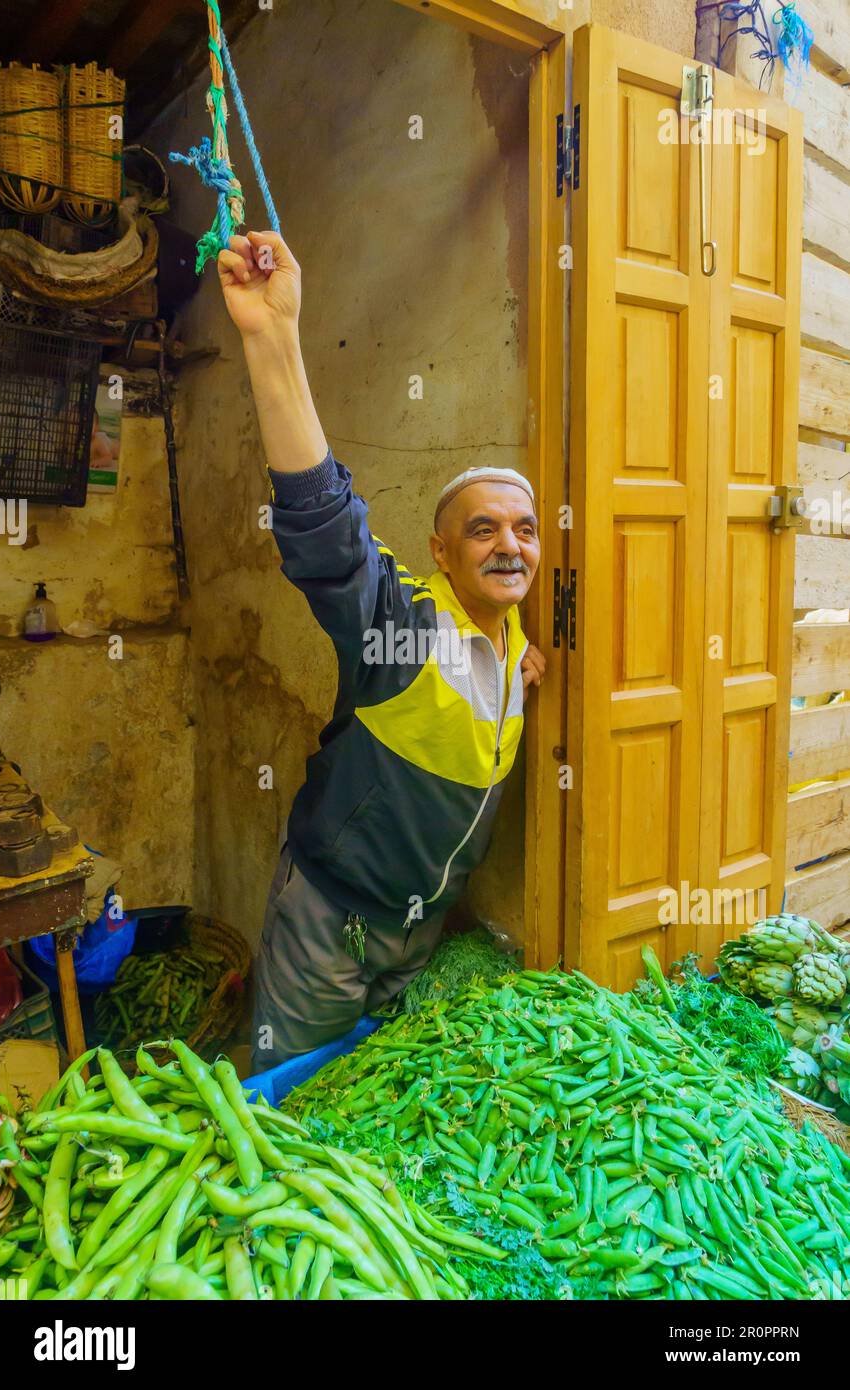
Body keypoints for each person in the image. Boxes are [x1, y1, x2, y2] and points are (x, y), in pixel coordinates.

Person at [218, 230, 545, 1070]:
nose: (509, 546)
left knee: (366, 1115)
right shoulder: (405, 631)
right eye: (483, 530)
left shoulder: (514, 655)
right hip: (329, 926)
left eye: (525, 531)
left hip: (417, 943)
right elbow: (331, 541)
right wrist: (273, 339)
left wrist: (524, 661)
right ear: (441, 552)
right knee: (290, 1114)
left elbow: (494, 673)